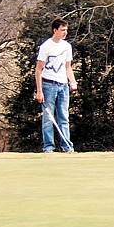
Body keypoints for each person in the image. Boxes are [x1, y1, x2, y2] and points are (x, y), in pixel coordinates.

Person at [35, 18, 78, 153]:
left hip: (63, 86)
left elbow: (68, 67)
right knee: (48, 118)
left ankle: (67, 146)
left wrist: (72, 81)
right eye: (62, 30)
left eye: (66, 30)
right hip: (49, 85)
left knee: (64, 117)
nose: (65, 32)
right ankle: (49, 147)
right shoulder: (46, 47)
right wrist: (40, 91)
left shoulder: (67, 47)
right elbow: (38, 70)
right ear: (55, 30)